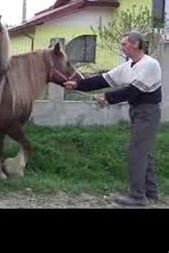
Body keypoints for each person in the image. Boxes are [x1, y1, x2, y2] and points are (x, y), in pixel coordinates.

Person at [64, 31, 162, 207]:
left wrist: (108, 98)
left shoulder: (150, 65)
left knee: (136, 152)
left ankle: (138, 197)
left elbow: (133, 91)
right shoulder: (128, 65)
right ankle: (152, 193)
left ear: (136, 45)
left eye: (124, 44)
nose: (121, 47)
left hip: (148, 112)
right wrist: (78, 84)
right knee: (144, 152)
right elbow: (103, 79)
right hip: (138, 111)